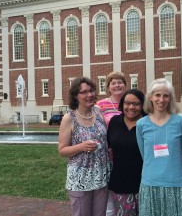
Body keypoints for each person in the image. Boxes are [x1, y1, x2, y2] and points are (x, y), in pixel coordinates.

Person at [136, 78, 182, 216]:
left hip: (177, 183)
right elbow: (145, 155)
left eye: (165, 95)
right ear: (150, 97)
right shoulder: (141, 124)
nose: (161, 99)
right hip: (151, 184)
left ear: (170, 98)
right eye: (157, 95)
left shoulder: (180, 121)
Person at [58, 77, 111, 216]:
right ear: (76, 96)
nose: (89, 95)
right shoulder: (69, 118)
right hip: (79, 178)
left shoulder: (98, 111)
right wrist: (81, 147)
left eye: (91, 91)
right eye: (84, 92)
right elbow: (62, 150)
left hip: (101, 175)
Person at [107, 89, 145, 216]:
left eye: (136, 104)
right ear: (122, 104)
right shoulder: (114, 122)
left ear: (142, 105)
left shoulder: (148, 123)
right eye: (127, 103)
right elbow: (108, 146)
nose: (131, 107)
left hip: (145, 183)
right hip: (120, 182)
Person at [96, 71, 126, 216]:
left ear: (125, 85)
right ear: (108, 87)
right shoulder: (100, 105)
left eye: (120, 82)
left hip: (128, 152)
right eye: (113, 83)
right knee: (108, 187)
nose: (117, 85)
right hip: (107, 153)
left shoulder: (131, 102)